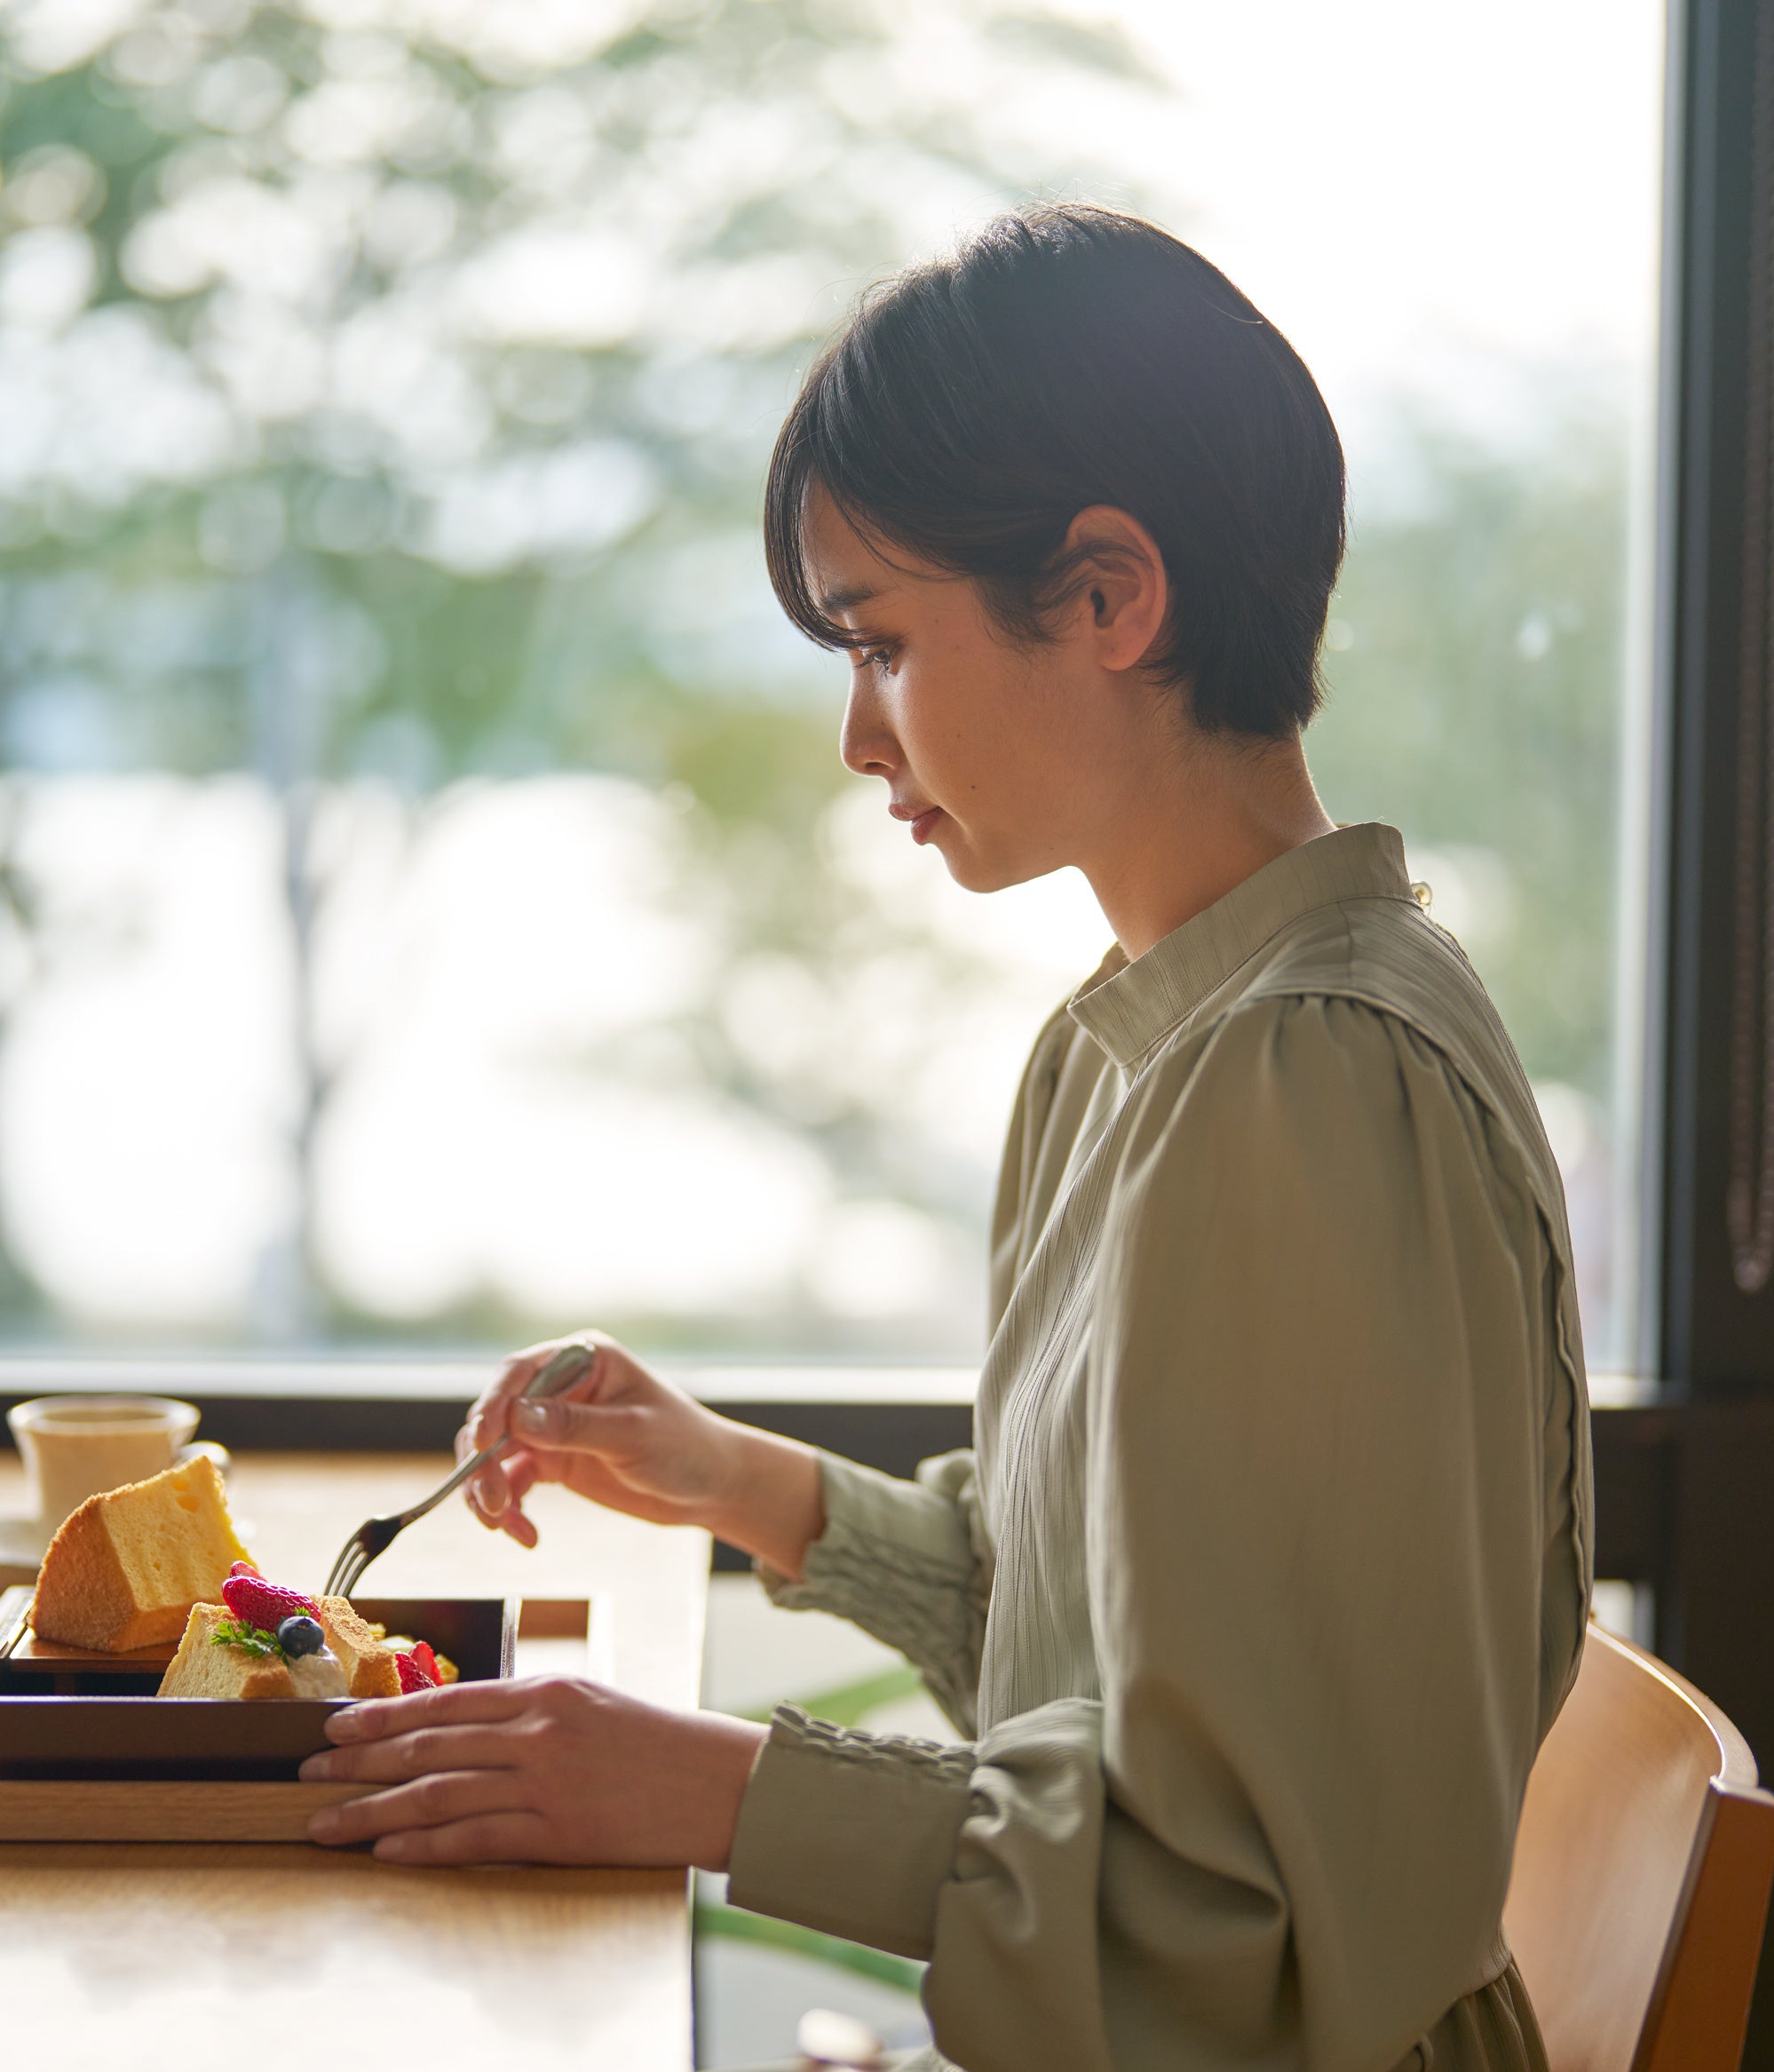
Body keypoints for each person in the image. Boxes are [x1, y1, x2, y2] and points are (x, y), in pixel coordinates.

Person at [297, 204, 1592, 2072]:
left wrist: (718, 1793)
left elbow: (1236, 1910)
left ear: (1105, 597)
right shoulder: (1143, 1047)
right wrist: (742, 1481)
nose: (854, 735)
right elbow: (1092, 1655)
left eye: (880, 643)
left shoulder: (1308, 1077)